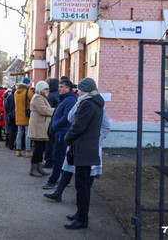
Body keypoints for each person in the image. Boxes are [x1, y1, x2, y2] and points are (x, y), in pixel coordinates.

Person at [43, 95, 110, 202]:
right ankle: (59, 192)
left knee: (88, 173)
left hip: (90, 146)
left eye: (81, 90)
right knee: (68, 167)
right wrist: (76, 105)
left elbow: (106, 126)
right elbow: (71, 118)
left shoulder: (99, 107)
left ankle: (83, 201)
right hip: (77, 144)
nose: (78, 92)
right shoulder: (80, 103)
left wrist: (96, 139)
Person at [64, 77, 104, 229]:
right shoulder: (95, 103)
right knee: (83, 184)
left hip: (83, 149)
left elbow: (78, 126)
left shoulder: (87, 104)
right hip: (87, 148)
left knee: (82, 185)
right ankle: (81, 213)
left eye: (79, 89)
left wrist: (67, 138)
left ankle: (82, 219)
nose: (77, 91)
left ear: (85, 90)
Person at [42, 79, 77, 189]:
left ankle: (53, 181)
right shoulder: (65, 99)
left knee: (59, 157)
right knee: (59, 156)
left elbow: (67, 117)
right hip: (59, 131)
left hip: (63, 132)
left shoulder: (70, 100)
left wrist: (56, 125)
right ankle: (61, 180)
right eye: (59, 86)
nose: (59, 89)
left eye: (61, 87)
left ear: (68, 88)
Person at [28, 81, 55, 177]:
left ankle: (39, 168)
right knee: (38, 149)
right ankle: (33, 169)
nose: (47, 90)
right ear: (40, 89)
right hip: (38, 127)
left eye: (48, 89)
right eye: (45, 89)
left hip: (41, 127)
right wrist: (56, 110)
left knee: (40, 148)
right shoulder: (37, 98)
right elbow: (44, 110)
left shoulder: (41, 97)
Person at [14, 77, 34, 157]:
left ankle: (18, 150)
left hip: (18, 115)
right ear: (27, 84)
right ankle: (28, 150)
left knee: (19, 133)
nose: (31, 84)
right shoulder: (28, 92)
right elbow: (33, 101)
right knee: (27, 134)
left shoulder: (16, 92)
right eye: (30, 83)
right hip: (26, 116)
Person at [43, 77, 60, 168]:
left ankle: (49, 161)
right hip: (58, 121)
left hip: (51, 121)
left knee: (49, 143)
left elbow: (48, 109)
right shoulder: (60, 94)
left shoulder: (50, 95)